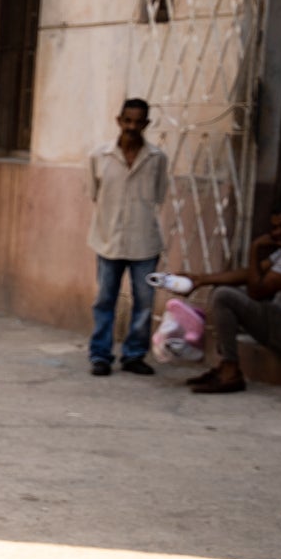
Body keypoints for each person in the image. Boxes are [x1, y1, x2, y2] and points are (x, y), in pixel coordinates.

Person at [86, 98, 170, 377]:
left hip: (144, 243)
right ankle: (100, 355)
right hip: (108, 240)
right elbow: (94, 193)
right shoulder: (99, 156)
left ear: (146, 124)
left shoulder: (156, 158)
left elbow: (158, 196)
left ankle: (134, 355)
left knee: (144, 302)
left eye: (138, 122)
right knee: (105, 300)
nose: (132, 127)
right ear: (119, 121)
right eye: (128, 121)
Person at [184, 206, 281, 393]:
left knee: (225, 296)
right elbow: (248, 275)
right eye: (274, 228)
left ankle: (230, 370)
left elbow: (257, 290)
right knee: (224, 292)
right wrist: (202, 279)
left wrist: (254, 249)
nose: (277, 233)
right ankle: (225, 365)